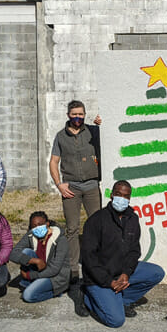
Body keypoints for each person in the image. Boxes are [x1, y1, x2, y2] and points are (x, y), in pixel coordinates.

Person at [74, 180, 165, 328]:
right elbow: (89, 259)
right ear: (111, 195)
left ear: (129, 199)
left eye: (126, 196)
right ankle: (87, 297)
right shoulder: (96, 221)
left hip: (120, 272)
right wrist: (109, 282)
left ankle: (123, 301)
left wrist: (126, 273)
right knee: (116, 321)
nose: (121, 199)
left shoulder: (132, 219)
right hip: (98, 278)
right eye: (118, 194)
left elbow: (134, 251)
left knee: (156, 273)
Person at [49, 100, 102, 282]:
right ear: (68, 115)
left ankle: (96, 263)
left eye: (81, 114)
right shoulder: (60, 136)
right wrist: (59, 184)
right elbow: (54, 161)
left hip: (92, 186)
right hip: (71, 187)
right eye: (74, 114)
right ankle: (73, 269)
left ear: (84, 114)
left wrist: (103, 124)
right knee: (72, 228)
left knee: (97, 226)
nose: (78, 117)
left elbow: (110, 141)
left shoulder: (93, 132)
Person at [9, 211, 70, 303]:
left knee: (28, 296)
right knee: (26, 252)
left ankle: (57, 291)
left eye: (40, 224)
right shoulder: (31, 235)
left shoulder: (61, 240)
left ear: (47, 224)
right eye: (34, 226)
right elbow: (13, 253)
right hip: (40, 269)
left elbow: (54, 269)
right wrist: (34, 261)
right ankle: (30, 283)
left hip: (55, 277)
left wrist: (30, 275)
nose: (37, 228)